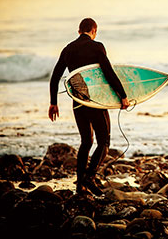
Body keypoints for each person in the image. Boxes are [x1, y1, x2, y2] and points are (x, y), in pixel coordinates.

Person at [48, 18, 130, 195]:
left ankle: (80, 186)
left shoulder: (68, 49)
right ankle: (89, 177)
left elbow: (55, 77)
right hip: (95, 101)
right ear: (94, 31)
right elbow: (108, 72)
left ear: (79, 31)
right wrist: (122, 95)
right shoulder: (97, 46)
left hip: (78, 101)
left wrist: (53, 102)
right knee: (104, 142)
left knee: (86, 142)